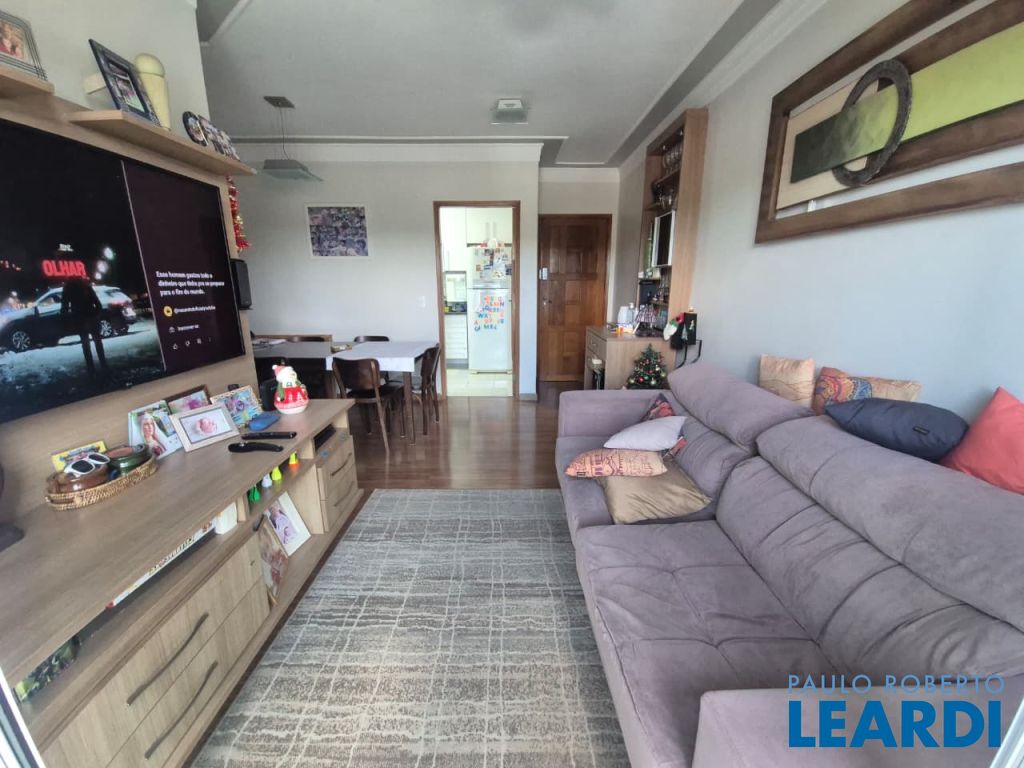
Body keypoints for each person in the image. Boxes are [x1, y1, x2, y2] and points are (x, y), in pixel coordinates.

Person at [60, 277, 108, 377]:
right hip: (91, 318)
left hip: (80, 320)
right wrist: (95, 315)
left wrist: (67, 320)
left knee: (86, 345)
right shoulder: (87, 287)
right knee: (97, 342)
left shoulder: (68, 289)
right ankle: (103, 365)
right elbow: (98, 304)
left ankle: (91, 369)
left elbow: (64, 308)